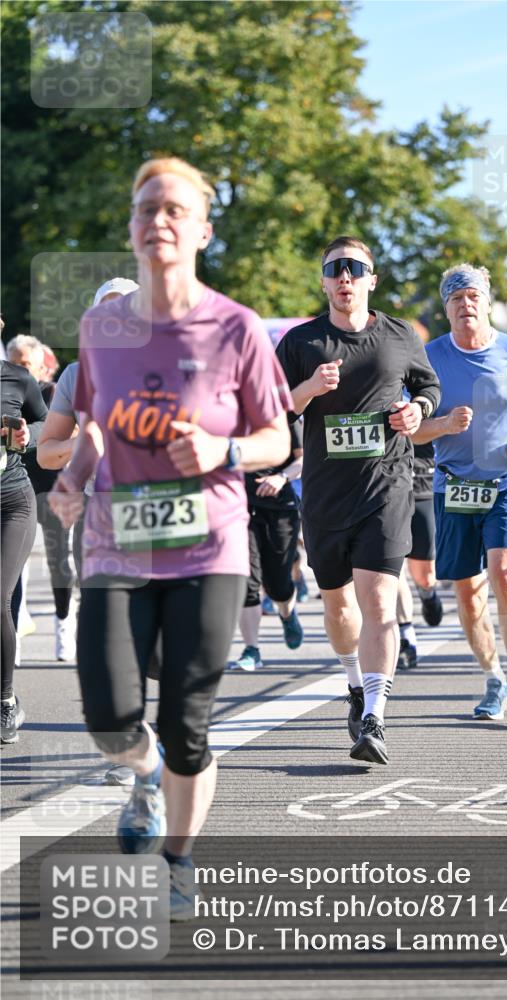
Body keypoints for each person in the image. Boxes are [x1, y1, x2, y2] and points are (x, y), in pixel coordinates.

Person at [49, 157, 291, 918]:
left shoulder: (235, 327)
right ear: (131, 227)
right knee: (109, 714)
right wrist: (73, 477)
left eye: (175, 209)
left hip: (207, 546)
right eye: (146, 207)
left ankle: (179, 858)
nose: (159, 219)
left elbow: (276, 437)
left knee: (189, 722)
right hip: (117, 541)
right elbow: (95, 423)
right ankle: (143, 772)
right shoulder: (101, 328)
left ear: (202, 231)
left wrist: (225, 451)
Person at [276, 236, 440, 764]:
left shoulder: (399, 334)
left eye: (355, 268)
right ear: (324, 281)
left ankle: (374, 716)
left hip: (387, 486)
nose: (344, 276)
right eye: (334, 268)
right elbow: (271, 411)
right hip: (325, 495)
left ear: (372, 278)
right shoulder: (300, 342)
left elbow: (429, 387)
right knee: (339, 605)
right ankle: (353, 683)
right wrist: (307, 392)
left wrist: (417, 409)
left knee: (377, 603)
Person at [414, 263, 507, 725]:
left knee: (504, 573)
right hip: (454, 487)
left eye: (473, 296)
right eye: (456, 299)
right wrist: (443, 424)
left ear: (487, 301)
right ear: (447, 307)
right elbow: (411, 430)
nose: (466, 305)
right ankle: (493, 676)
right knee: (468, 591)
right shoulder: (429, 357)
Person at [37, 279, 139, 583]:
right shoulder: (75, 374)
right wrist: (84, 441)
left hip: (152, 504)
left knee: (153, 622)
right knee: (102, 620)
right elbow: (46, 454)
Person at [6, 334, 79, 660]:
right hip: (17, 485)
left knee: (58, 562)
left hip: (52, 484)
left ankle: (64, 622)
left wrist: (27, 434)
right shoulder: (6, 385)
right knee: (13, 568)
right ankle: (13, 636)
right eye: (15, 360)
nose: (21, 367)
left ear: (40, 366)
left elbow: (58, 428)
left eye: (26, 363)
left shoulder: (49, 391)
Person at [229, 421, 304, 671]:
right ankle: (252, 650)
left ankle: (286, 611)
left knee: (277, 583)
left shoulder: (283, 415)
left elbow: (303, 460)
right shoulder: (229, 413)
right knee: (247, 579)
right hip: (238, 507)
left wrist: (281, 478)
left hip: (279, 507)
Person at [1, 355, 48, 742]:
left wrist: (29, 435)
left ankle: (5, 701)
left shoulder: (17, 378)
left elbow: (49, 422)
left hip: (12, 502)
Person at [396, 439, 442, 671]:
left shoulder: (435, 401)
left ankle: (428, 594)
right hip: (388, 488)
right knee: (392, 571)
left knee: (425, 576)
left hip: (424, 487)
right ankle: (406, 637)